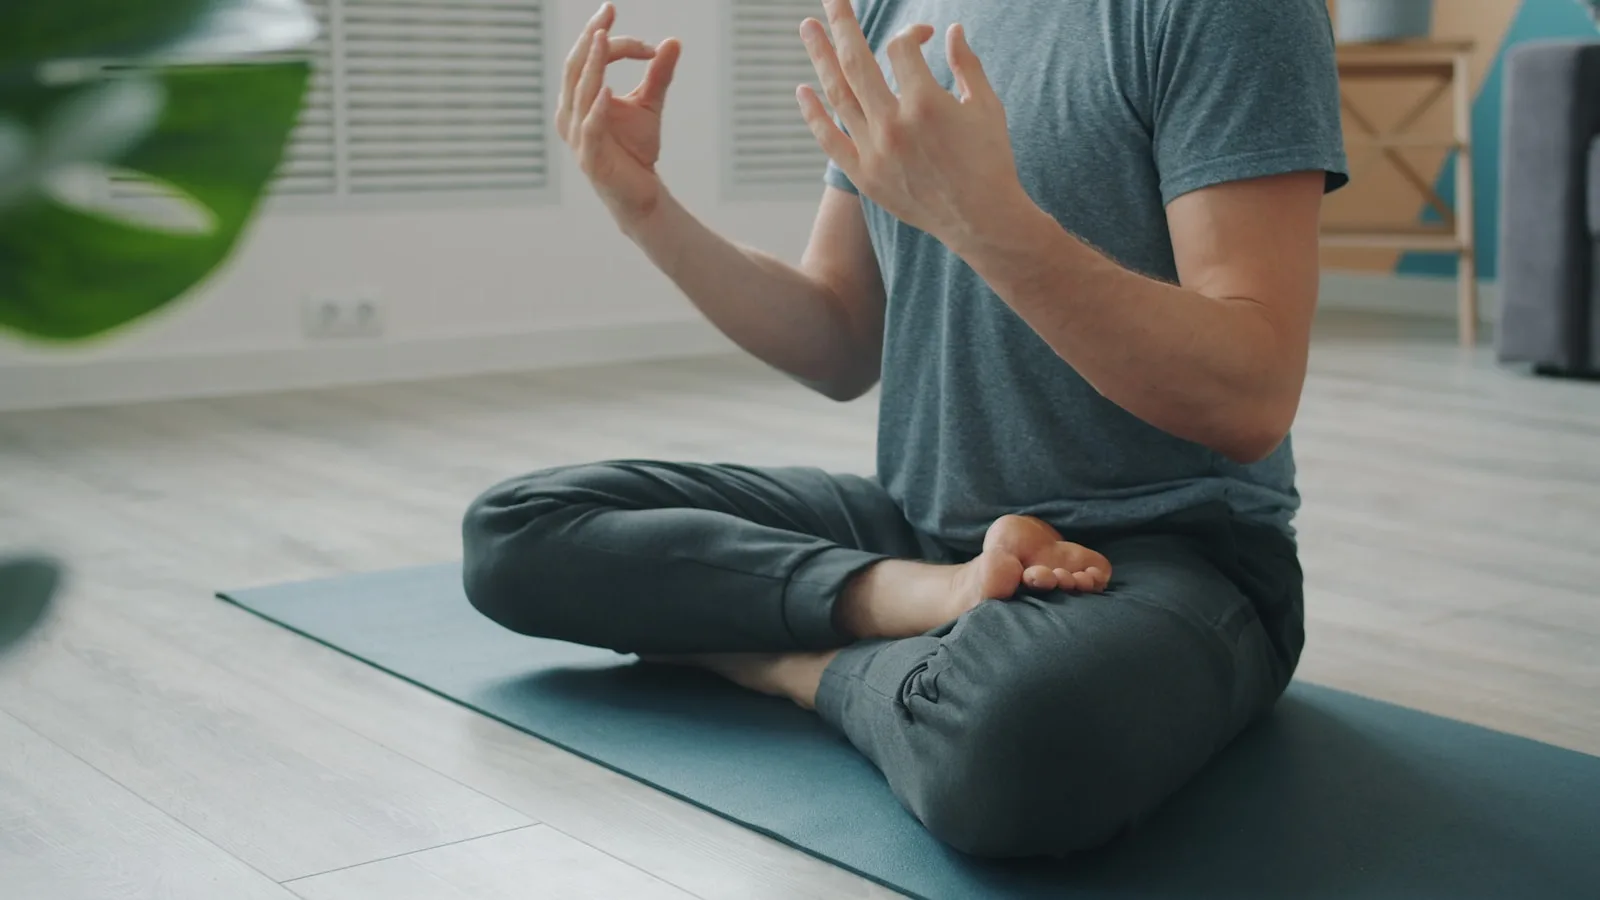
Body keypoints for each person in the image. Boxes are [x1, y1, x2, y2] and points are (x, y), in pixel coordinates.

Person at [462, 0, 1348, 859]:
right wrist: (644, 206)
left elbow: (1250, 396)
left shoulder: (1233, 10)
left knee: (1018, 743)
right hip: (922, 534)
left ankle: (785, 661)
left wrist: (988, 220)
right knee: (517, 532)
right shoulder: (894, 6)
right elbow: (840, 337)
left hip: (1168, 555)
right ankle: (908, 602)